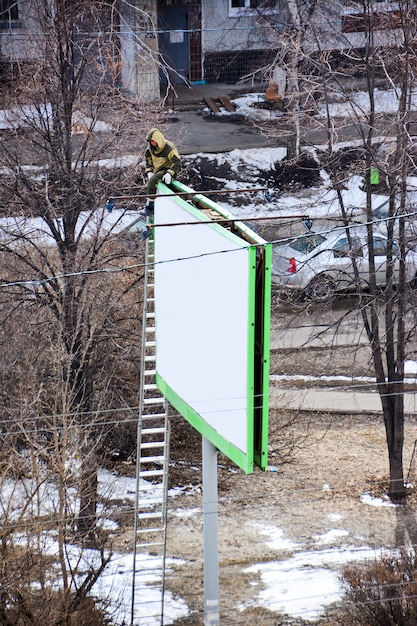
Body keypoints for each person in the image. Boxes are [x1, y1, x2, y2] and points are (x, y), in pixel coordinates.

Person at [142, 128, 181, 216]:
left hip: (167, 170)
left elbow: (177, 162)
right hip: (157, 171)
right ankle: (153, 203)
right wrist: (149, 171)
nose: (151, 143)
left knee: (152, 181)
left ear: (157, 140)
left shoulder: (169, 148)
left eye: (152, 141)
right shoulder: (150, 149)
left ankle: (150, 207)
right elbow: (148, 160)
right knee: (153, 180)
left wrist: (170, 173)